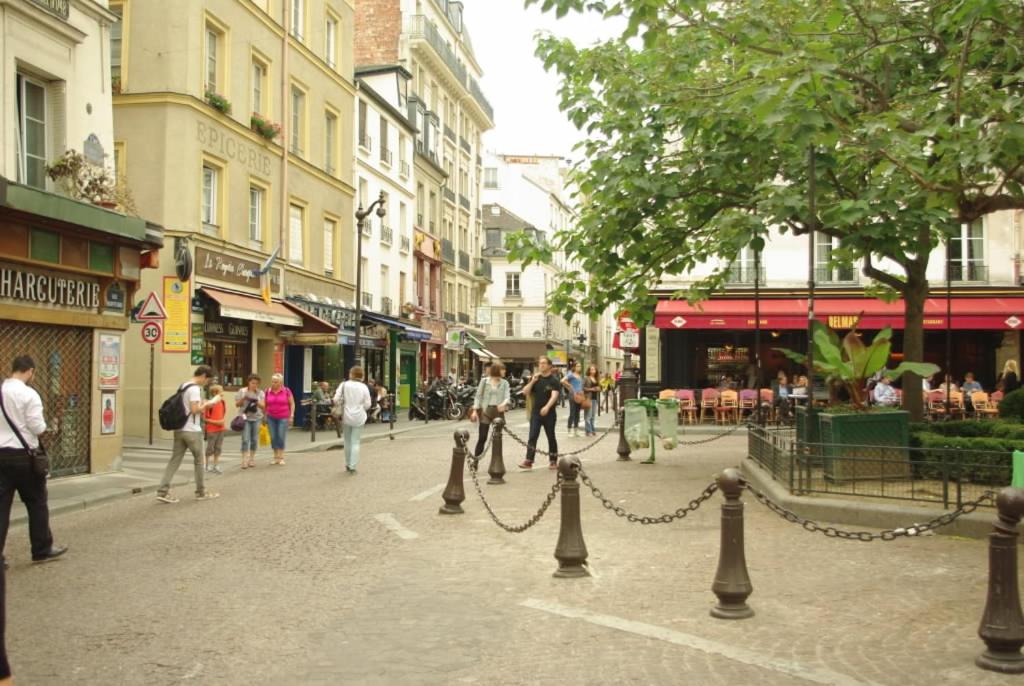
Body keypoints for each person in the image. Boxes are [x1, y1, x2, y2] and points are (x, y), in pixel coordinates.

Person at [0, 355, 67, 563]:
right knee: (36, 502)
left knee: (2, 507)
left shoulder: (2, 390)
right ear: (30, 371)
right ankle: (41, 548)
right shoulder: (29, 394)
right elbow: (37, 427)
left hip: (1, 455)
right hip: (25, 456)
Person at [157, 364, 219, 503]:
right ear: (203, 376)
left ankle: (162, 491)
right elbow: (195, 409)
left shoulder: (184, 385)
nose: (207, 383)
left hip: (179, 429)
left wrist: (203, 403)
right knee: (199, 461)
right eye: (207, 380)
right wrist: (210, 403)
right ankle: (201, 492)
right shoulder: (195, 389)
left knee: (174, 460)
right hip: (192, 430)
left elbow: (185, 406)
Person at [520, 356, 561, 470]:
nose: (541, 365)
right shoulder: (536, 379)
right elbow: (525, 392)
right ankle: (529, 460)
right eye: (540, 363)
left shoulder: (554, 380)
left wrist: (547, 407)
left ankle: (553, 460)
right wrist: (533, 381)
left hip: (549, 414)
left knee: (551, 436)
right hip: (536, 413)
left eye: (544, 363)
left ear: (549, 366)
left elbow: (554, 396)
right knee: (532, 436)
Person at [334, 366, 372, 474]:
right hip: (359, 416)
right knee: (355, 441)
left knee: (347, 441)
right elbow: (368, 404)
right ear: (361, 375)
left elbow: (335, 399)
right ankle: (353, 465)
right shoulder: (364, 387)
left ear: (351, 374)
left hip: (346, 416)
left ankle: (347, 463)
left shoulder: (344, 385)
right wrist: (361, 408)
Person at [470, 362, 510, 457]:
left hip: (498, 412)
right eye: (503, 369)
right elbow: (478, 397)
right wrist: (475, 411)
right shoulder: (484, 381)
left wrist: (503, 404)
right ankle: (476, 461)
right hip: (486, 411)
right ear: (497, 370)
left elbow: (507, 396)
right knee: (482, 437)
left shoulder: (505, 383)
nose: (505, 371)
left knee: (497, 439)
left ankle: (496, 463)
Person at [264, 374, 295, 465]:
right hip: (271, 417)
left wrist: (291, 415)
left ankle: (281, 457)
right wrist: (264, 415)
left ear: (281, 382)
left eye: (276, 382)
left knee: (281, 436)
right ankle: (275, 456)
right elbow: (265, 404)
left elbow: (292, 403)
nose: (273, 383)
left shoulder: (286, 391)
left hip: (283, 417)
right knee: (273, 437)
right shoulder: (267, 391)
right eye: (272, 381)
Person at [235, 375, 265, 469]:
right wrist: (244, 398)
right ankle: (244, 460)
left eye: (256, 383)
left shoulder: (260, 392)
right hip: (245, 418)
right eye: (252, 383)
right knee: (245, 439)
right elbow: (237, 404)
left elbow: (263, 406)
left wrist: (256, 401)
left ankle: (251, 459)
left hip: (257, 418)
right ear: (248, 382)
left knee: (254, 440)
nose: (254, 385)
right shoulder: (242, 391)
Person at [202, 383, 227, 474]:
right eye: (221, 391)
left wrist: (222, 422)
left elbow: (222, 415)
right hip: (212, 430)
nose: (222, 392)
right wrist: (217, 422)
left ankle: (215, 465)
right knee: (210, 448)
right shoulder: (209, 404)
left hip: (221, 429)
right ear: (216, 392)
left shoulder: (222, 402)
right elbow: (205, 419)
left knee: (218, 448)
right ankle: (206, 464)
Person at [562, 362, 584, 437]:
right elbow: (562, 381)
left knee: (577, 413)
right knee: (572, 412)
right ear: (574, 367)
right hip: (573, 395)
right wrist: (570, 386)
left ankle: (576, 430)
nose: (579, 367)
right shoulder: (571, 374)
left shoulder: (579, 375)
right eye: (577, 366)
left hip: (580, 395)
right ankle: (569, 430)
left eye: (580, 366)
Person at [583, 365, 601, 436]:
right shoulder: (586, 378)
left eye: (594, 369)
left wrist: (598, 388)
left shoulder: (596, 378)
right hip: (588, 398)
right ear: (589, 371)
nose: (593, 371)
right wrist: (591, 389)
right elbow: (582, 387)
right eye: (591, 369)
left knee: (593, 416)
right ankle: (588, 431)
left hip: (595, 398)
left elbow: (599, 387)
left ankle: (592, 430)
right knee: (588, 416)